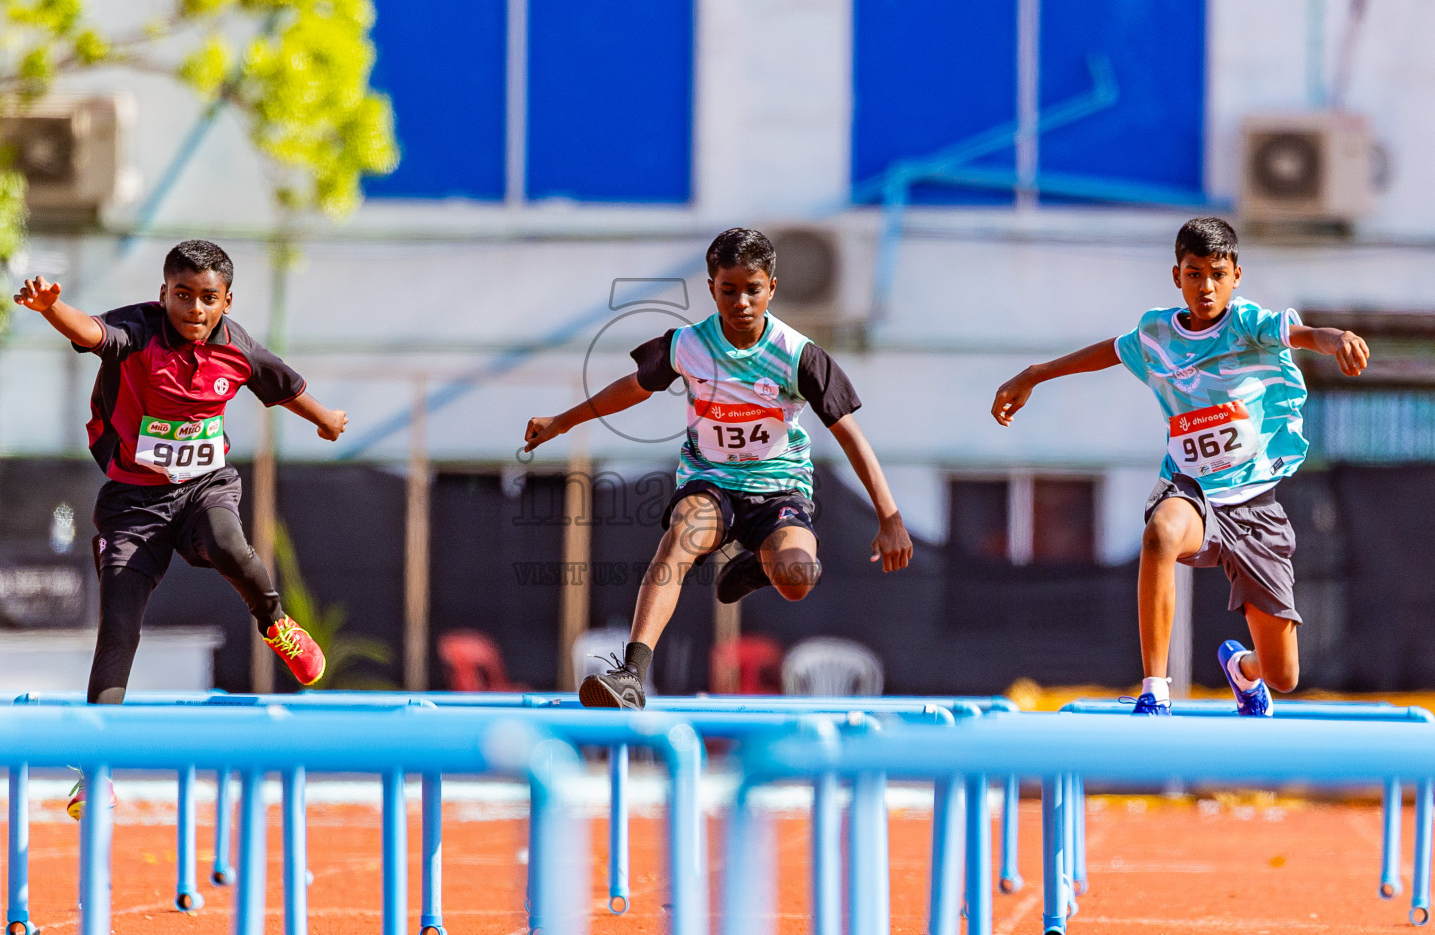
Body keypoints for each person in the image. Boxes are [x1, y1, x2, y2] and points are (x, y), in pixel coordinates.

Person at [14, 239, 348, 814]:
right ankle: (96, 770)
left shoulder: (235, 346)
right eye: (182, 296)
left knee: (227, 543)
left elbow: (282, 385)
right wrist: (49, 310)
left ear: (226, 302)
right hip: (133, 504)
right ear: (164, 293)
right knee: (118, 627)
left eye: (207, 299)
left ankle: (274, 622)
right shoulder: (141, 330)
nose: (194, 309)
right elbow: (94, 333)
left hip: (203, 490)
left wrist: (327, 419)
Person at [991, 217, 1369, 716]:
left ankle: (1244, 670)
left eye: (1216, 274)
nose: (1205, 287)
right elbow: (1111, 351)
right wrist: (1036, 374)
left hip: (1253, 505)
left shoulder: (1247, 324)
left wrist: (1336, 336)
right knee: (1161, 533)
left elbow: (1302, 335)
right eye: (1194, 274)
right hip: (1192, 491)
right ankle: (1155, 689)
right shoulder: (1157, 335)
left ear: (1236, 276)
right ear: (1177, 277)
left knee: (1284, 675)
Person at [522, 227, 913, 709]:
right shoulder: (688, 345)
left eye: (753, 289)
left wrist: (890, 516)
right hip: (711, 482)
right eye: (728, 290)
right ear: (711, 287)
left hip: (780, 490)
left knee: (798, 579)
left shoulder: (799, 355)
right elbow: (630, 388)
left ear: (772, 286)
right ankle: (631, 674)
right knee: (680, 540)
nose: (741, 302)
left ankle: (760, 565)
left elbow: (851, 437)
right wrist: (562, 421)